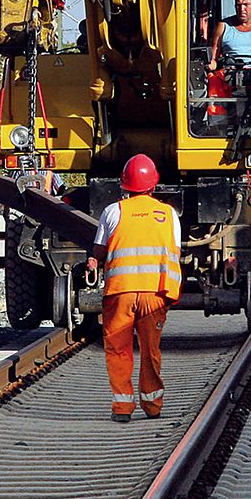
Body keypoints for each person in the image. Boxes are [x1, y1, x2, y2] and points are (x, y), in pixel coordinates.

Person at [86, 153, 182, 423]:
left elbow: (100, 250)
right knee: (151, 349)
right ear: (153, 185)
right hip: (155, 293)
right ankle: (153, 406)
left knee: (119, 349)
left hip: (121, 292)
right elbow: (174, 250)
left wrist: (95, 258)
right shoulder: (169, 214)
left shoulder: (113, 211)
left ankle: (122, 408)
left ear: (124, 185)